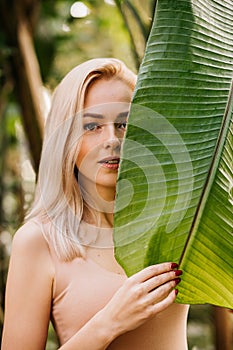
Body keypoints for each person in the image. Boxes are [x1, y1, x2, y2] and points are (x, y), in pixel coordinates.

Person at [2, 58, 189, 349]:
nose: (112, 140)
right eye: (92, 126)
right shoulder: (38, 241)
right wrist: (110, 322)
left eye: (124, 123)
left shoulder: (176, 224)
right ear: (65, 140)